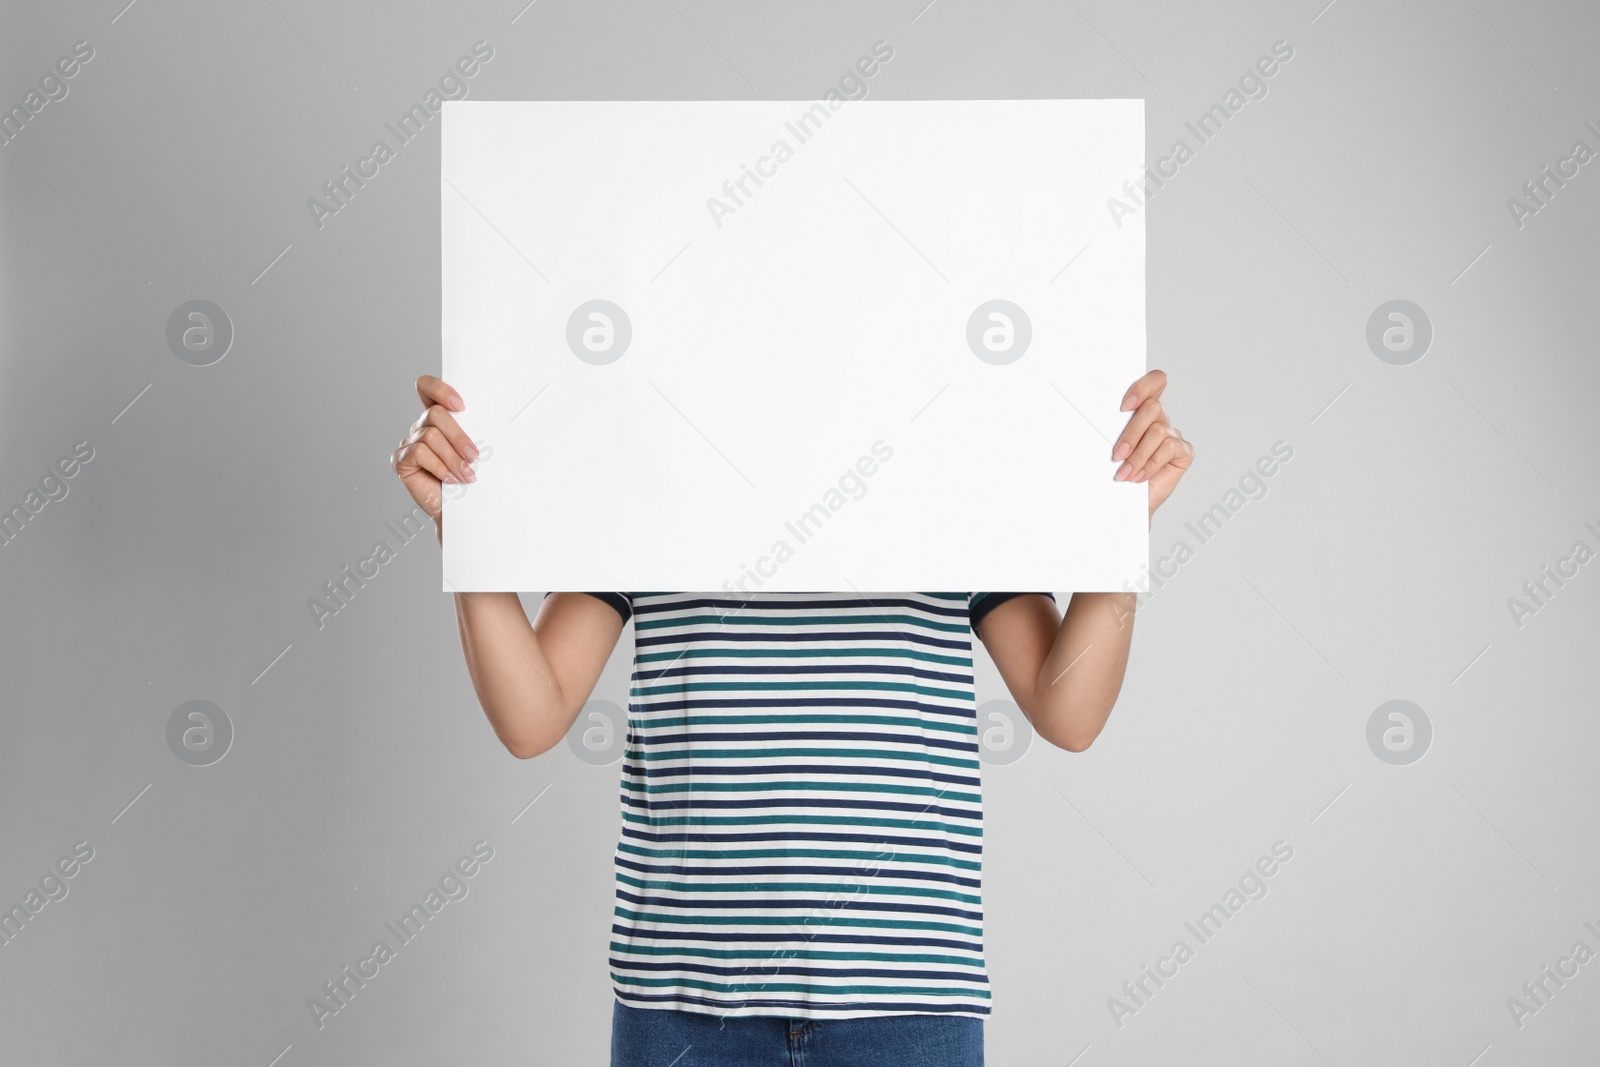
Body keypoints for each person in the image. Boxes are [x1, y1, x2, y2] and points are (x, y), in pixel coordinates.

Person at [392, 370, 1193, 1066]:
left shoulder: (947, 472)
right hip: (684, 1010)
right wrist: (469, 533)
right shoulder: (649, 476)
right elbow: (532, 716)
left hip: (908, 1007)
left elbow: (1069, 707)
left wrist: (1118, 526)